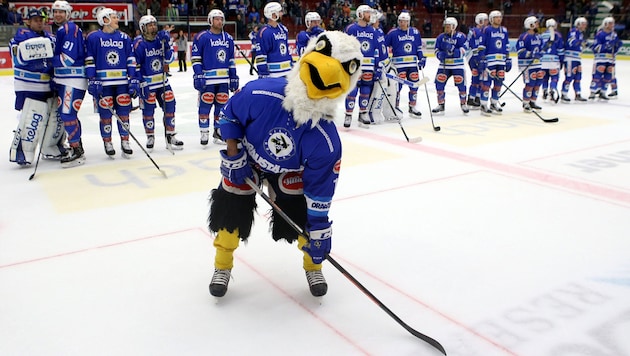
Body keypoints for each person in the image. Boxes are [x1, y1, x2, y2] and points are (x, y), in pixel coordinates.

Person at [207, 31, 363, 298]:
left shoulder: (326, 142)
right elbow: (229, 116)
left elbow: (319, 192)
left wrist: (320, 228)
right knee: (230, 212)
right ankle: (222, 265)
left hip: (290, 170)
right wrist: (234, 156)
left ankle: (313, 266)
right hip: (248, 160)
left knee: (306, 222)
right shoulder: (260, 92)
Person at [9, 8, 66, 166]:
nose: (39, 22)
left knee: (54, 116)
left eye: (41, 20)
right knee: (31, 116)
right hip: (28, 84)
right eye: (35, 20)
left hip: (48, 84)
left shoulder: (51, 38)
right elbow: (17, 58)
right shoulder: (20, 37)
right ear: (28, 21)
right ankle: (21, 150)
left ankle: (51, 146)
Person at [85, 8, 137, 158]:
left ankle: (125, 141)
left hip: (122, 83)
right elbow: (90, 59)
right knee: (105, 114)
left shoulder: (124, 38)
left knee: (124, 114)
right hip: (103, 84)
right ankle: (108, 142)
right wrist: (92, 79)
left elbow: (130, 59)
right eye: (114, 17)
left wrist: (132, 78)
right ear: (105, 19)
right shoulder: (93, 38)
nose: (117, 20)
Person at [134, 15, 184, 152]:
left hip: (163, 81)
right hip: (147, 84)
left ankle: (170, 135)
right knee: (148, 111)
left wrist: (167, 45)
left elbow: (169, 61)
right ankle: (150, 136)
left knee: (170, 106)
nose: (153, 27)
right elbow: (135, 66)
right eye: (149, 25)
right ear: (143, 28)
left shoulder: (160, 40)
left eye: (154, 24)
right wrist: (140, 83)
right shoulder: (138, 43)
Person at [191, 9, 239, 145]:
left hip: (223, 79)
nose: (219, 21)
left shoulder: (228, 38)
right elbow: (195, 58)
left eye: (221, 19)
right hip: (208, 79)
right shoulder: (202, 37)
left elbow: (231, 59)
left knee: (221, 106)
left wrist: (233, 76)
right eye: (216, 19)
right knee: (205, 105)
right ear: (210, 21)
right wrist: (198, 73)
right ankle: (204, 132)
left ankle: (218, 131)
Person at [51, 0, 87, 168]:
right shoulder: (61, 29)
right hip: (65, 80)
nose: (57, 14)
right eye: (55, 11)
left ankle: (77, 151)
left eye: (61, 11)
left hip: (72, 79)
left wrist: (47, 61)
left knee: (67, 115)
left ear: (68, 14)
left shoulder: (69, 28)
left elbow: (68, 59)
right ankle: (76, 146)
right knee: (68, 114)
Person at [343, 5, 380, 128]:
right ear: (360, 14)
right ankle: (348, 114)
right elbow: (345, 47)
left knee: (366, 89)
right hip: (354, 66)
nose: (370, 15)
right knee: (352, 90)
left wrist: (378, 66)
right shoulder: (351, 29)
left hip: (369, 66)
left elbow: (376, 50)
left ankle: (363, 113)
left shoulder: (373, 31)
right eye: (367, 13)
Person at [385, 11, 426, 119]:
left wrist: (421, 58)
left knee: (415, 85)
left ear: (408, 22)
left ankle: (412, 106)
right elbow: (384, 47)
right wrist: (385, 61)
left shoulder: (415, 32)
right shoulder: (392, 33)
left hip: (412, 64)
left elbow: (418, 48)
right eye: (401, 21)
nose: (402, 23)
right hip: (399, 65)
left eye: (405, 21)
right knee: (397, 87)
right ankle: (396, 107)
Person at [432, 17, 469, 115]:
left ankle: (463, 103)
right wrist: (440, 55)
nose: (446, 28)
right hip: (444, 65)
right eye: (445, 26)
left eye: (448, 27)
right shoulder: (441, 37)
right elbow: (436, 49)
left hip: (458, 65)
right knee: (439, 83)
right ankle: (441, 104)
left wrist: (453, 51)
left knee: (461, 85)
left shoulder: (461, 37)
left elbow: (465, 50)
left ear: (454, 27)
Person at [478, 10, 510, 116]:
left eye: (500, 17)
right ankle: (483, 104)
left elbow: (506, 45)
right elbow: (482, 45)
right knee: (486, 83)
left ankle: (494, 102)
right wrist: (482, 58)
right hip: (489, 60)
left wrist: (508, 59)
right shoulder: (486, 30)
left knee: (499, 82)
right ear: (492, 19)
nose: (499, 19)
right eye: (496, 17)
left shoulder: (504, 30)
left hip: (501, 60)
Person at [255, 2, 293, 78]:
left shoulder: (283, 29)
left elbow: (286, 51)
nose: (282, 14)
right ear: (273, 14)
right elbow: (261, 55)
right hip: (274, 75)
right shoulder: (264, 32)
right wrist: (263, 73)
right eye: (280, 12)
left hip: (288, 73)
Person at [516, 16, 544, 112]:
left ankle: (533, 101)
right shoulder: (523, 37)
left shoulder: (539, 37)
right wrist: (532, 54)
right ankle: (526, 102)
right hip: (526, 65)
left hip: (537, 64)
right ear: (530, 24)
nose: (538, 24)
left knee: (539, 81)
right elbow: (520, 51)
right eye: (536, 23)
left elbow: (541, 48)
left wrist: (541, 53)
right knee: (530, 83)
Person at [589, 17, 620, 101]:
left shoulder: (614, 34)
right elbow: (596, 47)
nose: (612, 25)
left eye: (613, 23)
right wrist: (607, 45)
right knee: (597, 76)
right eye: (610, 23)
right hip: (600, 59)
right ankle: (592, 92)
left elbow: (617, 46)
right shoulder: (600, 34)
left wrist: (617, 45)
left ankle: (603, 92)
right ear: (605, 24)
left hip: (610, 59)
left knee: (608, 76)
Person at [561, 17, 588, 103]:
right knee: (569, 76)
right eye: (583, 23)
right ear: (578, 24)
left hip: (577, 58)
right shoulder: (574, 31)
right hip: (570, 58)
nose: (585, 25)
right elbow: (571, 42)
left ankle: (578, 94)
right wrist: (581, 42)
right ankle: (564, 93)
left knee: (578, 77)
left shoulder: (580, 33)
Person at [466, 12, 488, 109]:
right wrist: (474, 57)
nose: (487, 22)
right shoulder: (473, 31)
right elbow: (468, 44)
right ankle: (471, 98)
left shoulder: (487, 31)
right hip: (473, 58)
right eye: (485, 20)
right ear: (480, 21)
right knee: (475, 78)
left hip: (482, 58)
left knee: (482, 78)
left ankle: (478, 97)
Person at [540, 18, 564, 103]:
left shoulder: (542, 35)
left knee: (544, 78)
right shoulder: (558, 35)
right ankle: (552, 89)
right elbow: (560, 49)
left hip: (543, 61)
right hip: (553, 61)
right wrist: (561, 60)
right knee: (554, 77)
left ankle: (544, 90)